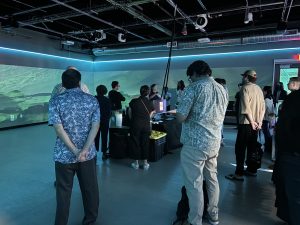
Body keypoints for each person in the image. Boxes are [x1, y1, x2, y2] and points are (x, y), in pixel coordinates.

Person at [176, 60, 228, 225]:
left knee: (194, 184)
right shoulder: (222, 89)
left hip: (195, 144)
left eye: (190, 77)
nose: (190, 80)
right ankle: (213, 215)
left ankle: (195, 220)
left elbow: (180, 117)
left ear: (195, 73)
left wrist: (181, 110)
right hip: (214, 142)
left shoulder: (193, 88)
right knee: (212, 179)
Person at [48, 69, 100, 225]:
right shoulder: (92, 100)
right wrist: (83, 151)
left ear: (63, 84)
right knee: (90, 190)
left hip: (64, 156)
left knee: (63, 193)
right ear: (79, 82)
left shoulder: (56, 101)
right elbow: (95, 126)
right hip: (87, 155)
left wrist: (74, 150)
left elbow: (58, 128)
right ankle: (90, 221)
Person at [226, 70, 265, 181]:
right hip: (257, 124)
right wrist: (259, 122)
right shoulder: (258, 89)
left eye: (244, 76)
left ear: (247, 77)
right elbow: (263, 108)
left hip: (246, 123)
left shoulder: (244, 88)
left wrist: (252, 122)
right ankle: (252, 170)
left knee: (240, 149)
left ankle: (239, 173)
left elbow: (246, 108)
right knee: (252, 148)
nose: (243, 78)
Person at [274, 88, 300, 225]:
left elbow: (283, 126)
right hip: (292, 154)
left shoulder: (294, 98)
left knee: (296, 201)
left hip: (293, 155)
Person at [128, 85, 155, 170]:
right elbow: (151, 114)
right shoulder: (150, 102)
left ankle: (136, 163)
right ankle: (145, 163)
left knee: (135, 142)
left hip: (135, 125)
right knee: (145, 143)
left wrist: (132, 119)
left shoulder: (134, 101)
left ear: (140, 91)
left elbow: (129, 111)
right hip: (146, 125)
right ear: (148, 92)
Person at [95, 85, 111, 160]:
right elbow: (109, 112)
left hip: (95, 122)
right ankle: (104, 153)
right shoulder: (107, 100)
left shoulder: (94, 99)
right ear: (105, 91)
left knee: (95, 137)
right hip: (105, 121)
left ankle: (94, 153)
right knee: (104, 137)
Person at [262, 86, 275, 153]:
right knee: (269, 134)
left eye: (263, 91)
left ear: (266, 91)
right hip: (271, 119)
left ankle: (268, 147)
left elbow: (263, 110)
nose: (262, 92)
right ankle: (268, 147)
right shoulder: (271, 99)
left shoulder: (266, 100)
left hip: (265, 119)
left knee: (266, 134)